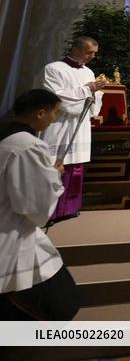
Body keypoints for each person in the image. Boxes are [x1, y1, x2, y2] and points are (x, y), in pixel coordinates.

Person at [0, 89, 81, 320]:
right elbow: (34, 203)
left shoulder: (8, 137)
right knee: (55, 303)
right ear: (40, 113)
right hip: (13, 231)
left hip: (10, 222)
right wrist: (54, 175)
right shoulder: (29, 146)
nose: (54, 119)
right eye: (55, 113)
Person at [40, 35, 106, 222]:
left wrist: (96, 93)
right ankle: (48, 212)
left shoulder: (89, 72)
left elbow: (90, 102)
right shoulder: (54, 69)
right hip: (59, 124)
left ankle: (68, 208)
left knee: (75, 166)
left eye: (94, 53)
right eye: (89, 52)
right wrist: (87, 90)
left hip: (80, 124)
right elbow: (57, 98)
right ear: (75, 49)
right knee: (54, 165)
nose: (92, 56)